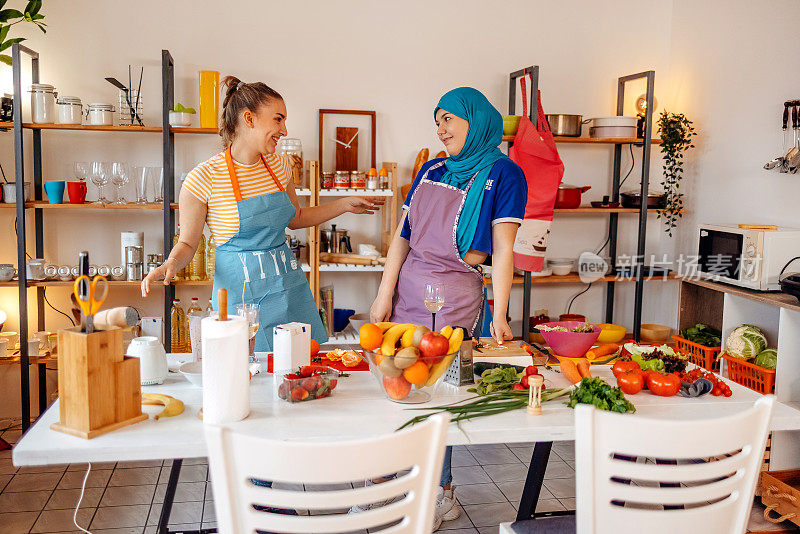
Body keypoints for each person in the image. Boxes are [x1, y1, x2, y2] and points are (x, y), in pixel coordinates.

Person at [368, 87, 527, 528]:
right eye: (437, 120)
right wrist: (385, 293)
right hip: (408, 293)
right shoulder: (432, 168)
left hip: (455, 299)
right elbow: (402, 235)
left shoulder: (506, 174)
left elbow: (503, 250)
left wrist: (499, 314)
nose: (440, 128)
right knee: (397, 388)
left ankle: (440, 493)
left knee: (441, 398)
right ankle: (388, 485)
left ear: (475, 121)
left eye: (449, 119)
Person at [142, 76, 383, 351]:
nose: (284, 129)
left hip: (287, 287)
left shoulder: (280, 166)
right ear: (249, 119)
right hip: (242, 299)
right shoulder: (204, 178)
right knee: (246, 373)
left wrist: (343, 204)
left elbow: (297, 218)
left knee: (298, 370)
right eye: (278, 119)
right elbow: (187, 243)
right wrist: (170, 263)